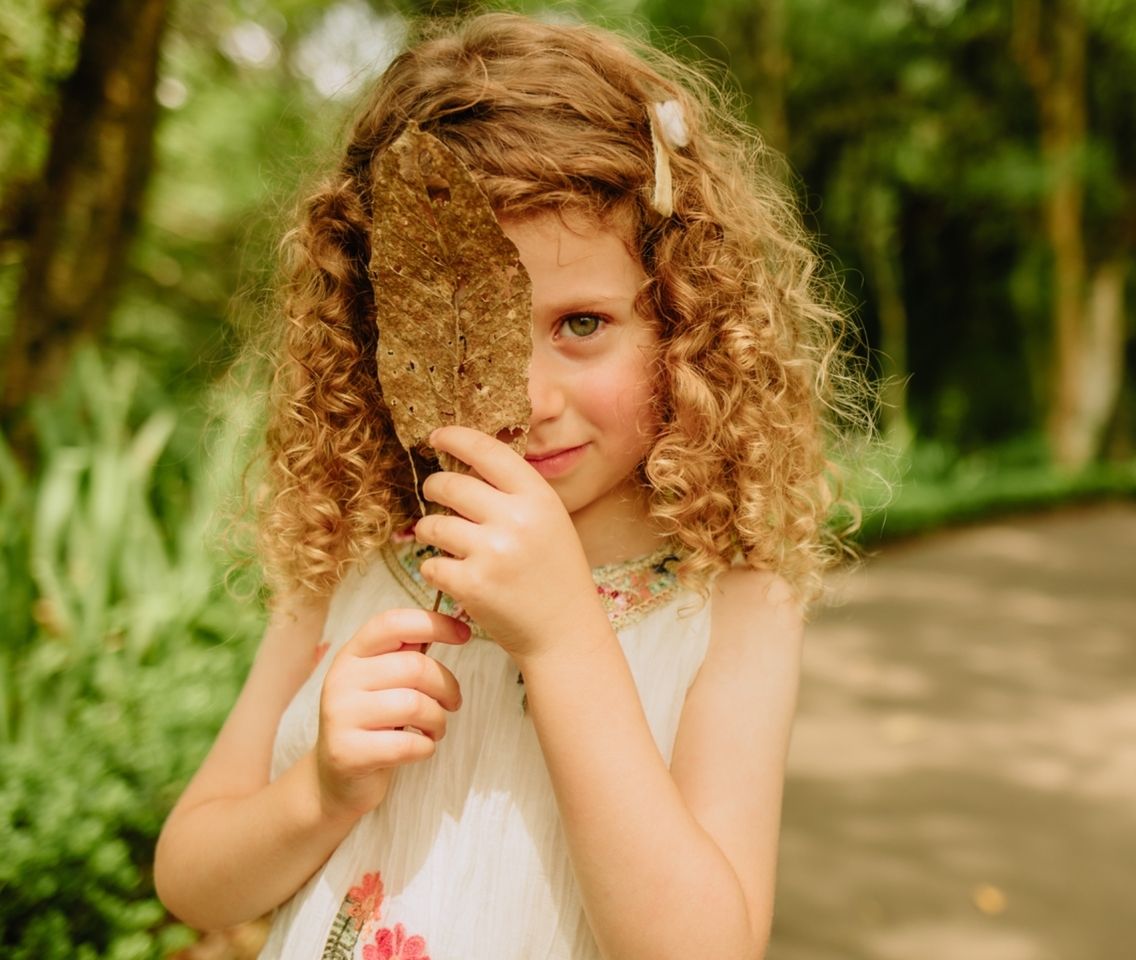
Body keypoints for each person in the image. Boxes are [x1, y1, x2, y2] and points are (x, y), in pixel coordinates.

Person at [155, 12, 859, 960]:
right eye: (460, 325)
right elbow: (192, 880)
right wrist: (318, 792)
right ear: (374, 332)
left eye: (580, 325)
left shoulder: (731, 608)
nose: (525, 399)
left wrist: (565, 637)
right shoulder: (362, 566)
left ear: (681, 319)